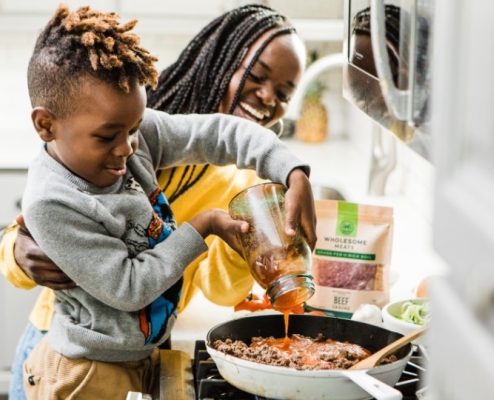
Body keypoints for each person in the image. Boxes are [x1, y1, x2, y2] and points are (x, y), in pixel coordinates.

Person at [0, 4, 310, 399]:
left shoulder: (133, 126)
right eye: (257, 75)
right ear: (221, 58)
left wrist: (290, 171)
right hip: (81, 364)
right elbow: (124, 283)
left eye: (284, 92)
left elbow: (220, 288)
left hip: (142, 349)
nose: (127, 149)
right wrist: (15, 248)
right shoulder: (106, 115)